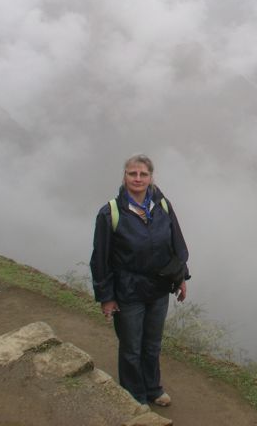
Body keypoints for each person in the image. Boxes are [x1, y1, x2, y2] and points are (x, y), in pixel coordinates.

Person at [90, 154, 190, 407]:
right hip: (128, 292)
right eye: (132, 173)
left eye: (143, 174)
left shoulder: (162, 207)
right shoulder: (110, 212)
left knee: (152, 344)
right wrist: (107, 297)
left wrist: (181, 278)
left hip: (158, 289)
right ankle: (134, 396)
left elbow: (176, 245)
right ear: (124, 176)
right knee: (131, 347)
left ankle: (154, 389)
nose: (137, 178)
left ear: (151, 177)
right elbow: (100, 259)